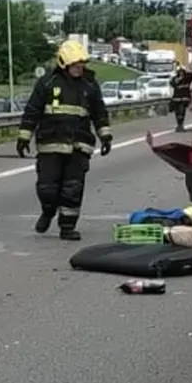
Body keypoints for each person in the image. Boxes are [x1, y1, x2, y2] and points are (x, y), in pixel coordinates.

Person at [16, 39, 113, 240]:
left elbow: (99, 112)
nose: (79, 69)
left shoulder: (90, 84)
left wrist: (105, 136)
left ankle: (67, 227)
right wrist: (24, 136)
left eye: (81, 65)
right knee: (47, 188)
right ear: (63, 63)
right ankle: (48, 211)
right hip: (50, 144)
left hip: (79, 146)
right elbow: (32, 111)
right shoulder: (47, 83)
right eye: (75, 66)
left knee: (73, 188)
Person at [170, 61, 192, 131]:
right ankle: (179, 126)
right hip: (176, 99)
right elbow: (172, 83)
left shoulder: (188, 78)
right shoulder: (174, 79)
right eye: (180, 72)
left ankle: (181, 125)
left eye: (182, 72)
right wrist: (179, 78)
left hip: (184, 99)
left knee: (182, 112)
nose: (181, 73)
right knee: (178, 114)